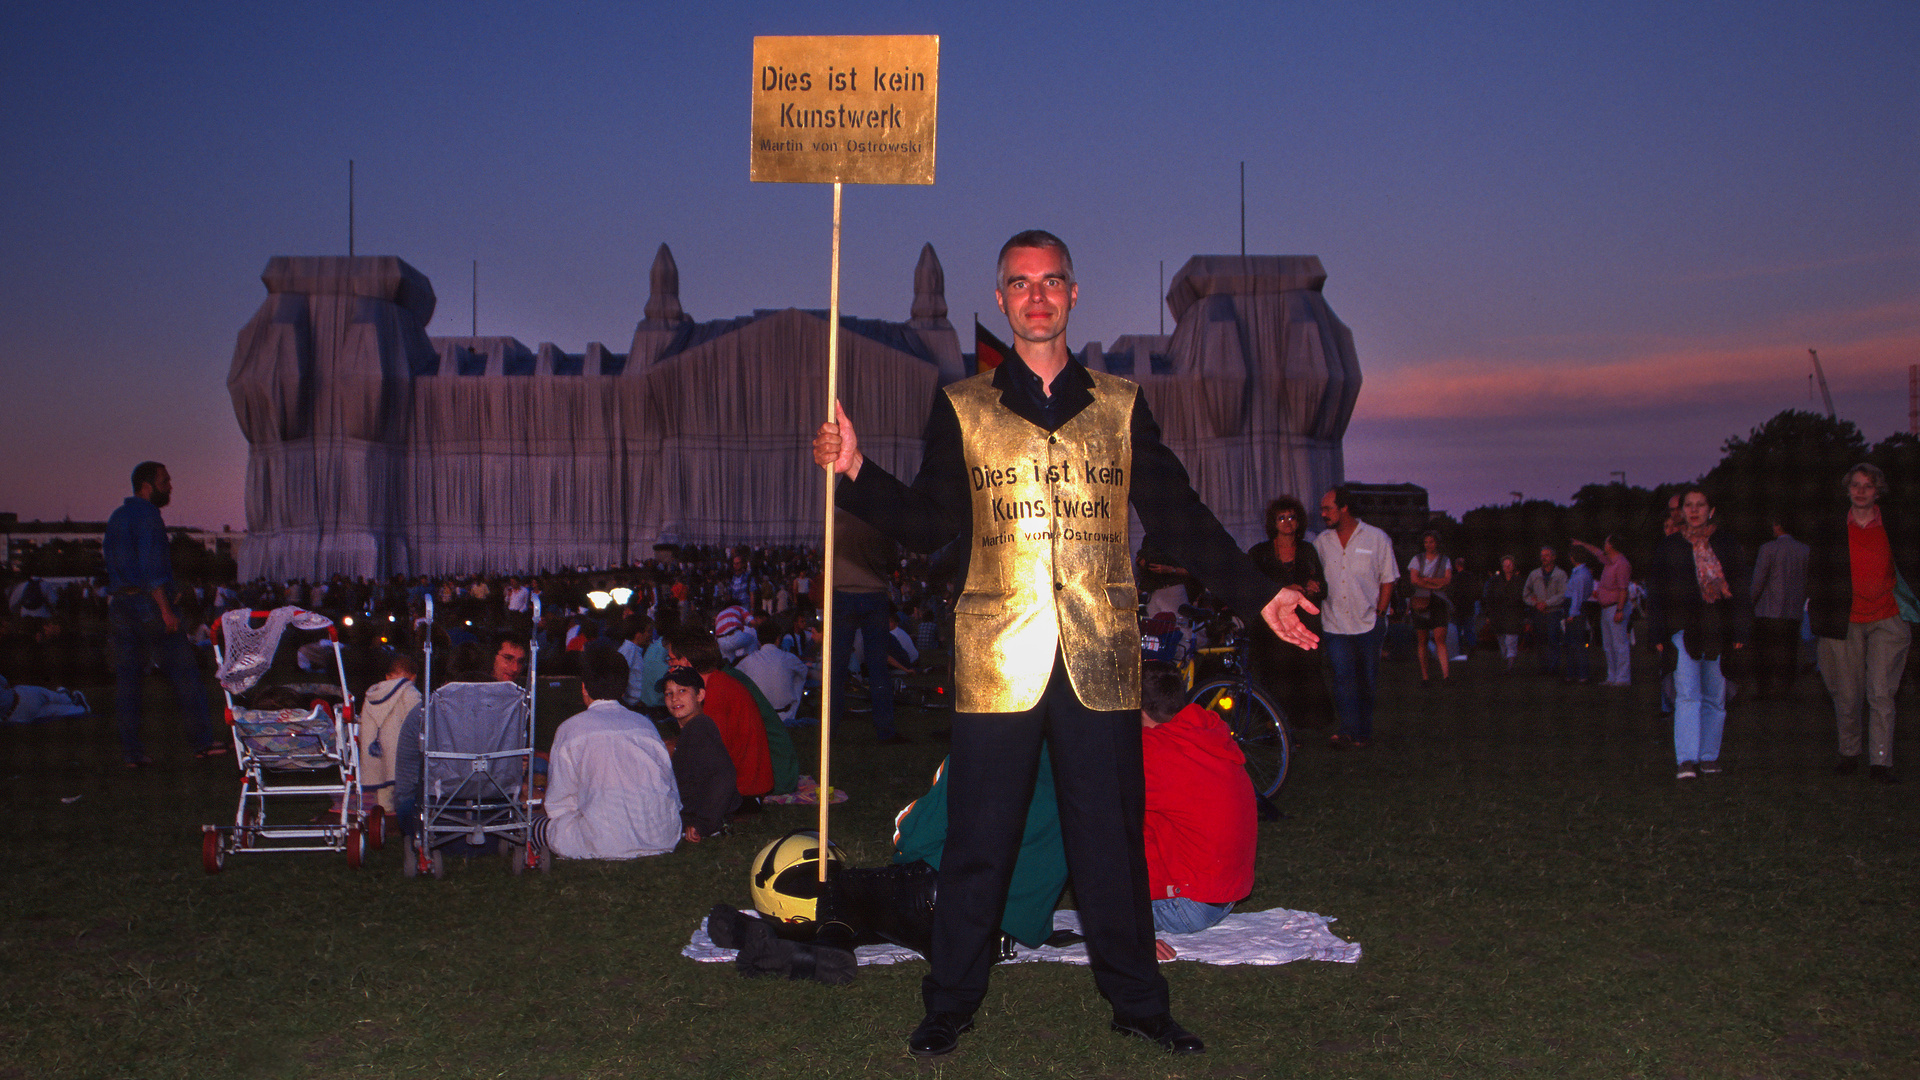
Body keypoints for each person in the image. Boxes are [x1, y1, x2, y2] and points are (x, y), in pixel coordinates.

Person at [813, 229, 1315, 1059]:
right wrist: (859, 471)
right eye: (1020, 283)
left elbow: (1181, 515)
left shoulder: (1120, 406)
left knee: (1108, 842)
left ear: (1074, 295)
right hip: (996, 659)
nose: (1037, 296)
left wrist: (1260, 596)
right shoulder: (962, 407)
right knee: (980, 839)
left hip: (1099, 659)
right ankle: (951, 999)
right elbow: (935, 528)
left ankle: (1138, 1003)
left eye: (1052, 282)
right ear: (1003, 300)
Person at [103, 461, 221, 766]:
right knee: (185, 674)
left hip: (120, 605)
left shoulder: (117, 517)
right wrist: (166, 611)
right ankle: (202, 742)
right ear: (147, 485)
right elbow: (152, 569)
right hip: (149, 606)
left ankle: (132, 753)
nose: (170, 486)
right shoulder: (149, 516)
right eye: (165, 481)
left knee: (128, 682)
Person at [1806, 464, 1916, 783]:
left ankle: (1880, 762)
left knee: (1881, 691)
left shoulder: (1896, 526)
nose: (1861, 491)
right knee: (1846, 691)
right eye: (1855, 485)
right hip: (1845, 620)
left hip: (1888, 616)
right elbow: (1817, 574)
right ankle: (1849, 752)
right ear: (1848, 489)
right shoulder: (1831, 528)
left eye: (1868, 485)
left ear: (1877, 490)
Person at [1139, 664, 1255, 959]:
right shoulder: (1205, 728)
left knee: (1091, 830)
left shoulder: (1154, 751)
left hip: (1187, 906)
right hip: (1222, 895)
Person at [530, 647, 681, 859]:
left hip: (602, 842)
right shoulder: (645, 725)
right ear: (623, 691)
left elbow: (559, 804)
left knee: (534, 824)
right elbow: (670, 789)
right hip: (662, 836)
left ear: (583, 688)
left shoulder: (570, 729)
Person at [1647, 486, 1750, 780]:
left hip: (1718, 627)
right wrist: (1656, 632)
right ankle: (1687, 759)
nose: (1693, 511)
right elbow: (1655, 591)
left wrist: (1741, 628)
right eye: (1688, 506)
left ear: (1711, 510)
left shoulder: (1727, 544)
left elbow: (1740, 588)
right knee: (1688, 693)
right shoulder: (1669, 546)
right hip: (1682, 629)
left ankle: (1709, 756)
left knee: (1715, 696)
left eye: (1700, 505)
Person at [1314, 486, 1397, 748]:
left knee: (1366, 679)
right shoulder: (1321, 543)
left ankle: (1363, 732)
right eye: (1322, 509)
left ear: (1344, 508)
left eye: (1328, 508)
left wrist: (1380, 613)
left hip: (1368, 623)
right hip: (1334, 623)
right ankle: (1348, 730)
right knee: (1342, 679)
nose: (1323, 513)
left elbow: (1388, 578)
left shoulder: (1376, 538)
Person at [1244, 495, 1335, 730]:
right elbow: (1250, 585)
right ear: (1272, 522)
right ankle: (1270, 725)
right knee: (1273, 676)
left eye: (1292, 517)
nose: (1287, 522)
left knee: (1303, 675)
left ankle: (1299, 726)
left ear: (1299, 521)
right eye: (1281, 518)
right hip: (1270, 628)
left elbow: (1323, 586)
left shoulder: (1307, 550)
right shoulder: (1259, 552)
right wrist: (1281, 589)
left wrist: (1314, 588)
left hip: (1302, 624)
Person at [663, 625, 773, 801]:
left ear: (686, 662)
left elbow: (708, 754)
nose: (668, 667)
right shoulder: (715, 682)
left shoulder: (716, 692)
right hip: (738, 781)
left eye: (671, 660)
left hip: (742, 791)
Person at [831, 509, 908, 744]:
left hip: (843, 591)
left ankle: (830, 730)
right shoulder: (880, 519)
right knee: (877, 666)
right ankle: (885, 729)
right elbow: (891, 558)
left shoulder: (838, 517)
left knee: (837, 667)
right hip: (873, 593)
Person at [659, 667, 739, 841]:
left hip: (699, 819)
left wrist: (703, 823)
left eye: (682, 691)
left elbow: (724, 775)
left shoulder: (700, 727)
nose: (675, 698)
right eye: (668, 693)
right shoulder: (691, 730)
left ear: (700, 695)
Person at [1747, 517, 1810, 700]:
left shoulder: (1768, 548)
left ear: (1778, 526)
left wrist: (1750, 602)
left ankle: (1764, 690)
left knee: (1764, 651)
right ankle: (1785, 689)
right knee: (1789, 650)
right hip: (1793, 611)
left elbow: (1758, 580)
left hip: (1768, 611)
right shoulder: (1804, 550)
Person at [358, 652, 421, 814]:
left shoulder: (372, 694)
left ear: (387, 676)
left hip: (375, 746)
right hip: (400, 747)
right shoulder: (410, 693)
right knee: (403, 783)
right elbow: (419, 720)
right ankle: (403, 812)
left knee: (382, 780)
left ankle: (385, 811)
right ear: (413, 677)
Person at [1573, 536, 1634, 686]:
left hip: (1615, 608)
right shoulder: (1608, 561)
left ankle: (1623, 677)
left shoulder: (1622, 564)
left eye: (1606, 542)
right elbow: (1596, 552)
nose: (1604, 544)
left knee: (1619, 644)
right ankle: (1612, 676)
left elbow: (1623, 589)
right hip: (1605, 608)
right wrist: (1582, 543)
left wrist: (1619, 610)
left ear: (1612, 545)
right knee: (1608, 644)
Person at [734, 619, 809, 723]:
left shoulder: (747, 661)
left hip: (758, 718)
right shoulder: (789, 658)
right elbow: (804, 672)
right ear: (778, 639)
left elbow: (734, 678)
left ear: (759, 641)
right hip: (786, 717)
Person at [1406, 531, 1452, 687]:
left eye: (1431, 542)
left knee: (1440, 639)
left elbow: (1447, 580)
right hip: (1421, 601)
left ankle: (1446, 676)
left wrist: (1427, 580)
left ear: (1437, 543)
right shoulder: (1417, 559)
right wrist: (1434, 585)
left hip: (1439, 601)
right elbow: (1414, 580)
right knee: (1422, 640)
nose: (1429, 545)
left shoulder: (1445, 560)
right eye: (1426, 542)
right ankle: (1425, 677)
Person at [1522, 546, 1568, 676]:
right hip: (1539, 614)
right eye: (1542, 555)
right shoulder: (1534, 574)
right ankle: (1543, 668)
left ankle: (1554, 668)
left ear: (1553, 557)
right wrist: (1535, 603)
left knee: (1553, 641)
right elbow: (1526, 593)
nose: (1544, 558)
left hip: (1553, 612)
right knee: (1540, 642)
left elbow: (1563, 594)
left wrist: (1546, 603)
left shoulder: (1560, 574)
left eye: (1547, 555)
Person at [616, 615, 668, 713]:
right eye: (648, 631)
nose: (651, 634)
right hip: (635, 703)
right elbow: (619, 674)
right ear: (638, 634)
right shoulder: (628, 651)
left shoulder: (635, 650)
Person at [1486, 555, 1528, 672]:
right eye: (1505, 565)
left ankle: (1510, 664)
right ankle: (1506, 658)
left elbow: (1523, 597)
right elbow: (1489, 597)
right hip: (1499, 615)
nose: (1507, 567)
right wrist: (1489, 614)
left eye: (1510, 565)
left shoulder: (1519, 581)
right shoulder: (1495, 581)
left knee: (1511, 640)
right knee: (1502, 640)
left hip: (1513, 615)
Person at [1561, 548, 1595, 684]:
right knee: (1572, 643)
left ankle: (1581, 674)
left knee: (1577, 643)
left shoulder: (1581, 574)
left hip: (1575, 609)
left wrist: (1572, 613)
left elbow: (1577, 595)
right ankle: (1573, 673)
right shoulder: (1581, 573)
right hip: (1575, 607)